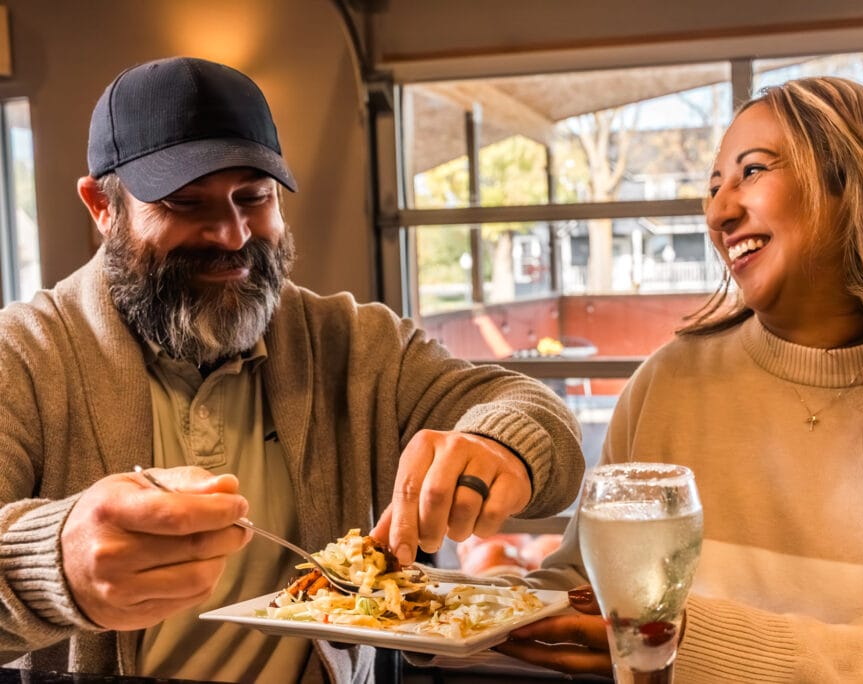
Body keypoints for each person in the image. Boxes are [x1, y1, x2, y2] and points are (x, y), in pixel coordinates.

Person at [0, 56, 584, 682]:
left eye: (254, 196)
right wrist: (54, 566)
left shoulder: (352, 341)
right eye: (185, 203)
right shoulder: (24, 358)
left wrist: (498, 443)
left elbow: (534, 413)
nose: (230, 234)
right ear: (102, 207)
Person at [494, 76, 863, 681]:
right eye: (714, 187)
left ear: (853, 182)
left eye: (752, 171)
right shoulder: (668, 381)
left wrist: (692, 645)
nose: (719, 213)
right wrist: (423, 613)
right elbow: (585, 585)